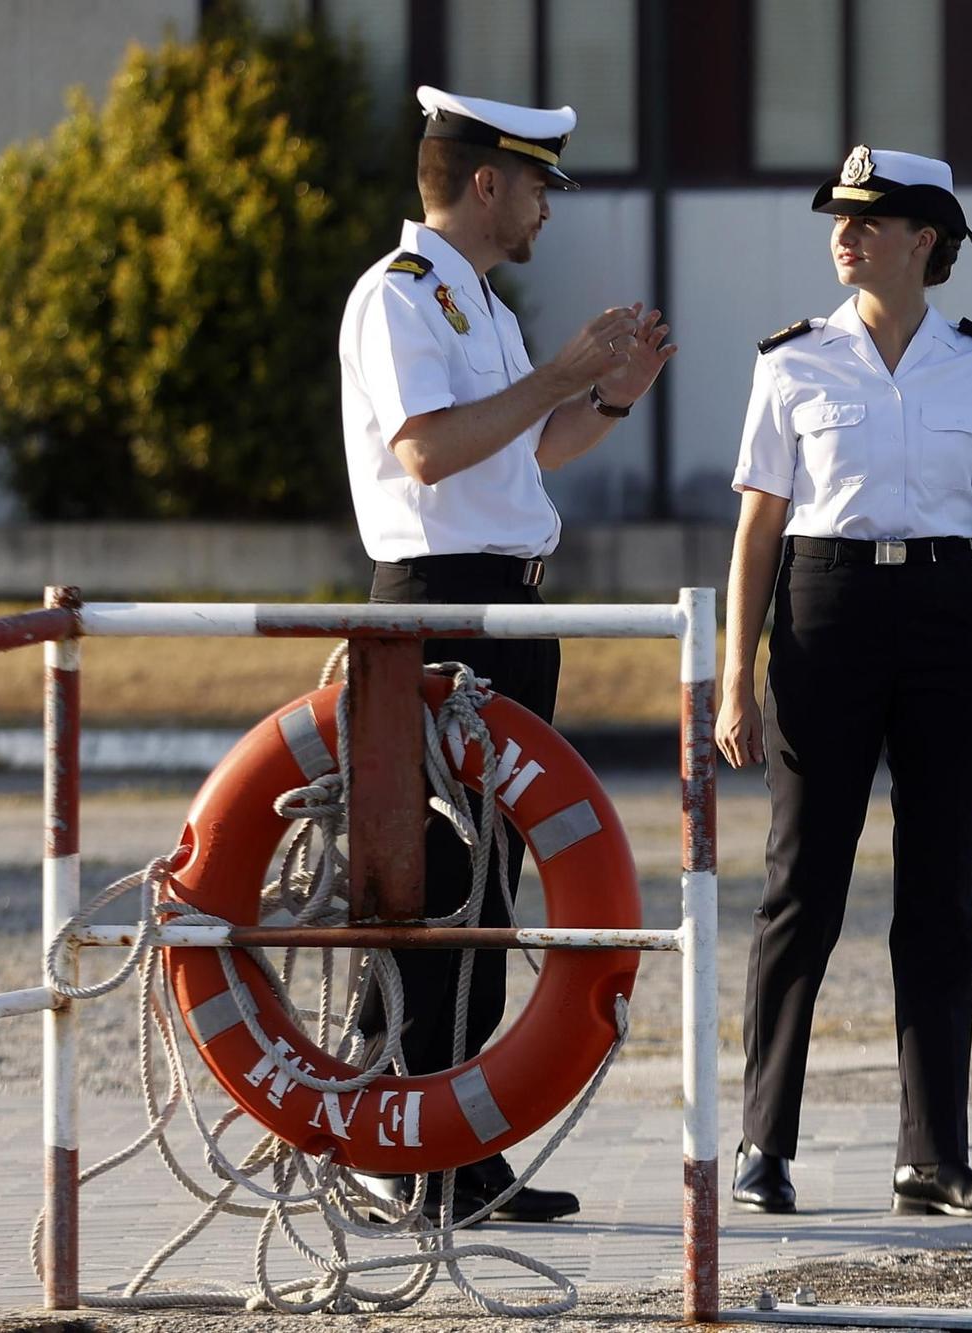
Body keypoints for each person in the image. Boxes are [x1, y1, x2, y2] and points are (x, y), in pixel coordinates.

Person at [336, 87, 675, 1222]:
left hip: (512, 611)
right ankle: (393, 1141)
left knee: (491, 886)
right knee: (429, 883)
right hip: (434, 611)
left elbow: (523, 460)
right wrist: (554, 374)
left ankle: (459, 1146)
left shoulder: (479, 304)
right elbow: (429, 453)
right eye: (535, 184)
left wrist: (611, 399)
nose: (544, 207)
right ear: (486, 181)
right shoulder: (401, 300)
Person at [716, 145, 972, 1219]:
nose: (844, 233)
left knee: (938, 901)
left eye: (870, 219)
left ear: (926, 240)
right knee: (800, 890)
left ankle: (932, 1155)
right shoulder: (791, 361)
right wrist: (733, 676)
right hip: (822, 617)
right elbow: (756, 529)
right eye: (838, 218)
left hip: (941, 622)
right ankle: (762, 1143)